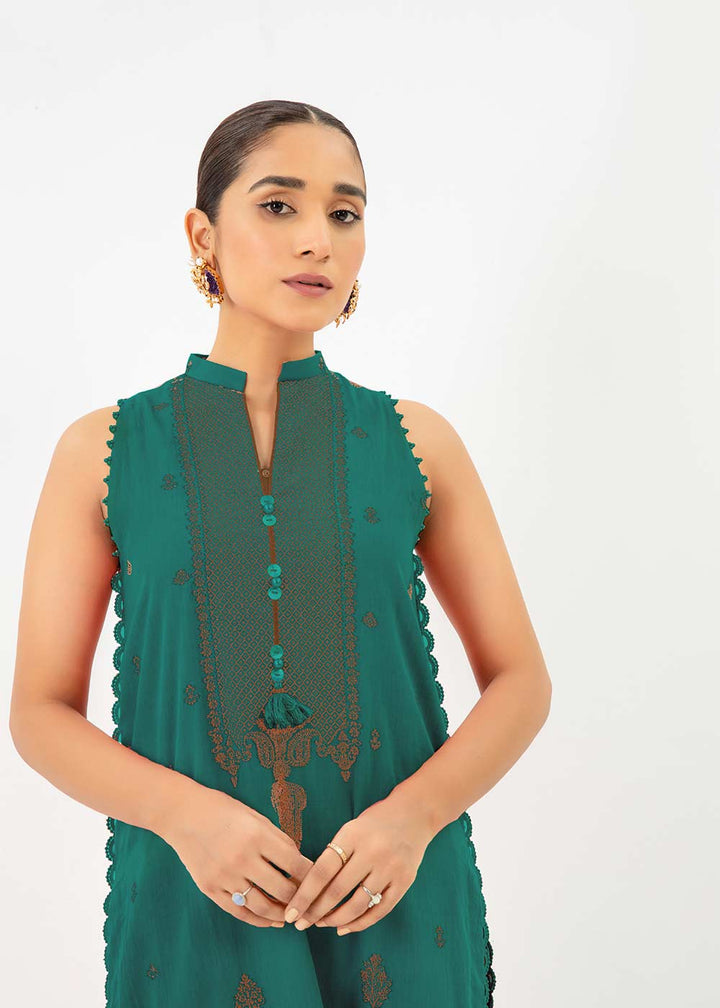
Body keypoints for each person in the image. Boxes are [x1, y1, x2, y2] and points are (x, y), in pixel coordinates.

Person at [9, 99, 551, 1006]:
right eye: (277, 205)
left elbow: (522, 681)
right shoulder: (103, 450)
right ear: (203, 234)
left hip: (397, 901)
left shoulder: (416, 443)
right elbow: (38, 712)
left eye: (345, 213)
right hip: (193, 906)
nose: (317, 240)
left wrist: (412, 820)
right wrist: (186, 817)